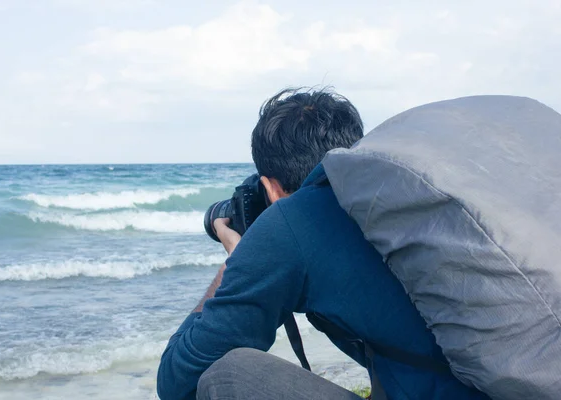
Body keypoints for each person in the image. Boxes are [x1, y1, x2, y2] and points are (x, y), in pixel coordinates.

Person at [157, 88, 488, 400]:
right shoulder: (397, 197)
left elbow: (177, 381)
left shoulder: (295, 219)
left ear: (270, 189)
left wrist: (236, 262)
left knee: (227, 375)